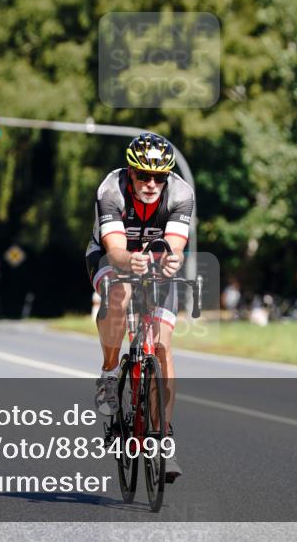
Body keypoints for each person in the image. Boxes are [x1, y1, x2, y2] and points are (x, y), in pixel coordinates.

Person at [85, 133, 192, 482]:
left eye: (158, 177)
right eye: (143, 175)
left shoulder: (180, 194)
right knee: (119, 295)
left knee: (161, 345)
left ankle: (161, 442)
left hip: (156, 257)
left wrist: (171, 262)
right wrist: (130, 261)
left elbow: (173, 246)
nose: (151, 183)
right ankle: (110, 370)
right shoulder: (110, 190)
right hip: (112, 255)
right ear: (130, 173)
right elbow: (114, 249)